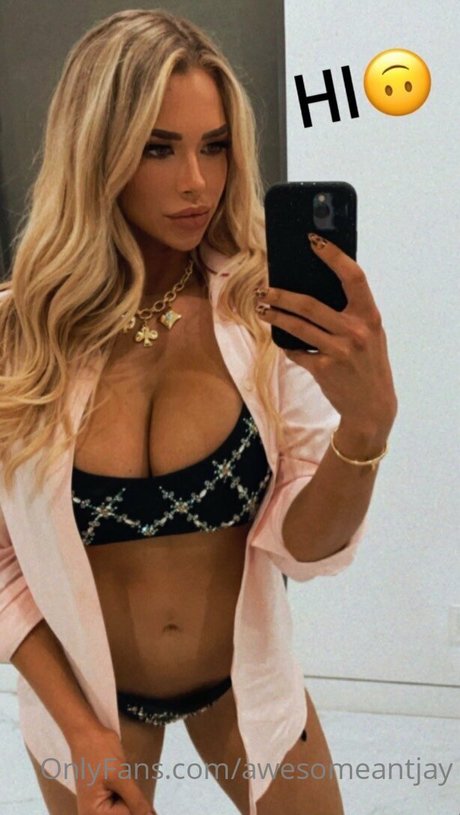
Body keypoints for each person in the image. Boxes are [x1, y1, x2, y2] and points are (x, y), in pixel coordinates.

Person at [0, 8, 397, 815]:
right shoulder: (19, 335)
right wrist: (81, 731)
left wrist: (366, 428)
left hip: (244, 685)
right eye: (158, 148)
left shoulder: (261, 314)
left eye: (214, 146)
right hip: (90, 706)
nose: (196, 183)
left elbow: (305, 549)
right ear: (96, 149)